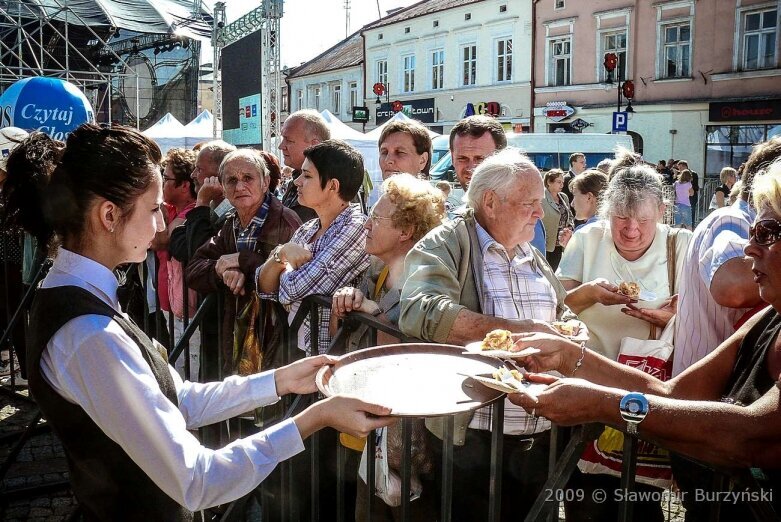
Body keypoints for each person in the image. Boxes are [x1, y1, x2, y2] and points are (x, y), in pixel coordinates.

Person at [5, 123, 393, 520]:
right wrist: (315, 416)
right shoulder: (87, 333)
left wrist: (282, 380)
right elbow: (199, 480)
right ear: (109, 215)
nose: (161, 225)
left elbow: (179, 399)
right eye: (154, 208)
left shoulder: (82, 302)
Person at [509, 160, 781, 519]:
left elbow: (751, 435)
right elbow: (673, 394)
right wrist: (568, 355)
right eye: (752, 231)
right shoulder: (769, 317)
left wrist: (600, 404)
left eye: (765, 232)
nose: (748, 249)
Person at [399, 148, 579, 522]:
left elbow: (561, 309)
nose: (539, 212)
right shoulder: (447, 241)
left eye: (540, 202)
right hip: (475, 439)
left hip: (540, 433)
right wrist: (520, 332)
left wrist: (570, 328)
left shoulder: (529, 249)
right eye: (530, 202)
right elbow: (418, 309)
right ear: (491, 203)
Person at [554, 162, 691, 521]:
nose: (631, 230)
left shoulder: (681, 244)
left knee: (642, 502)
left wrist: (672, 317)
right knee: (585, 500)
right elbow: (555, 306)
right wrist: (590, 294)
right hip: (586, 388)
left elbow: (705, 322)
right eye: (620, 219)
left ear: (661, 211)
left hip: (644, 396)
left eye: (643, 220)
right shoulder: (587, 240)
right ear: (606, 212)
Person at [330, 173, 445, 522]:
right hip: (368, 427)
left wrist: (375, 313)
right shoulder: (376, 273)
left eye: (376, 218)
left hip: (402, 437)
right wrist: (346, 303)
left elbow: (394, 359)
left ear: (406, 231)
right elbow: (340, 339)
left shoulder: (422, 284)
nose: (366, 224)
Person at [186, 149, 301, 375]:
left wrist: (242, 261)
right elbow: (194, 268)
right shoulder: (232, 223)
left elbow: (292, 280)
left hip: (278, 340)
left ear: (266, 181)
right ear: (223, 186)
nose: (240, 187)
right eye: (232, 180)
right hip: (241, 338)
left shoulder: (285, 221)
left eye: (248, 178)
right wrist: (223, 271)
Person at [672, 138, 780, 376]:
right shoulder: (731, 219)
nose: (752, 247)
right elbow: (732, 287)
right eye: (761, 234)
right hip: (710, 395)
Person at [258, 139, 370, 356]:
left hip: (329, 357)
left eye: (307, 176)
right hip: (300, 349)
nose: (297, 182)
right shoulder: (309, 228)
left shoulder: (356, 228)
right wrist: (282, 254)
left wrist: (280, 263)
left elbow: (292, 289)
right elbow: (263, 285)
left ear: (332, 186)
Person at [0, 127, 31, 384]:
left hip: (15, 261)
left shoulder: (19, 186)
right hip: (10, 259)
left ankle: (27, 371)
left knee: (18, 314)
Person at [279, 110, 331, 223]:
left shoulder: (332, 184)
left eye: (288, 140)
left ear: (314, 145)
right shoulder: (295, 180)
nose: (281, 146)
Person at [449, 114, 506, 191]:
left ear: (502, 159)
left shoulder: (521, 201)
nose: (471, 168)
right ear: (452, 158)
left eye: (480, 159)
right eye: (462, 158)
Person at [541, 168, 573, 270]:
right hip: (547, 243)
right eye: (559, 182)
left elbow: (570, 215)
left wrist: (570, 227)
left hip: (560, 242)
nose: (562, 185)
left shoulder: (564, 197)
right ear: (549, 182)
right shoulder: (541, 198)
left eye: (562, 182)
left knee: (557, 270)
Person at [677, 159, 699, 224]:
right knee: (681, 214)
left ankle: (691, 227)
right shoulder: (680, 174)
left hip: (691, 197)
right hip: (682, 198)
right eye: (679, 168)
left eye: (680, 168)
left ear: (685, 166)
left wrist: (687, 185)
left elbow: (695, 186)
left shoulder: (693, 174)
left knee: (691, 213)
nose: (679, 170)